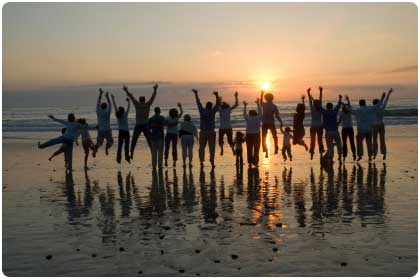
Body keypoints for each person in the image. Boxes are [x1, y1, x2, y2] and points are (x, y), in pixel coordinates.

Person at [123, 84, 158, 159]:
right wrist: (155, 90)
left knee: (134, 139)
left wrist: (126, 91)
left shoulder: (137, 104)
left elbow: (131, 97)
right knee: (149, 139)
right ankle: (153, 153)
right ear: (144, 100)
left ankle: (131, 153)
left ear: (139, 100)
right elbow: (152, 98)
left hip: (138, 124)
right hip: (145, 124)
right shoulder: (147, 104)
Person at [193, 89, 221, 168]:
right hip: (211, 132)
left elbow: (198, 103)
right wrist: (217, 95)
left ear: (206, 106)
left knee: (202, 148)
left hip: (203, 132)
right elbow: (218, 104)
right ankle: (212, 162)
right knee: (212, 148)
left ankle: (201, 162)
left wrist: (196, 94)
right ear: (211, 106)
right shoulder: (212, 111)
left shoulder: (202, 111)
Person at [345, 96, 376, 161]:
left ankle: (360, 155)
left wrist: (347, 101)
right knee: (369, 143)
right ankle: (370, 156)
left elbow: (350, 109)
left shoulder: (358, 110)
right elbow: (376, 107)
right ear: (365, 103)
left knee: (359, 143)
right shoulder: (369, 109)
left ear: (359, 104)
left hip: (361, 129)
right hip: (369, 129)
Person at [259, 91, 283, 158]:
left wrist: (261, 94)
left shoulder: (264, 105)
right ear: (272, 98)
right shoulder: (274, 106)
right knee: (275, 136)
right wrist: (281, 121)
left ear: (265, 98)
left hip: (265, 123)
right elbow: (277, 115)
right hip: (271, 123)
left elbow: (260, 101)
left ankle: (266, 151)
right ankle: (276, 147)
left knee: (264, 138)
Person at [320, 95, 343, 163]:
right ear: (332, 106)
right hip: (335, 131)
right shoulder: (334, 111)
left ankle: (331, 159)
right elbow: (339, 105)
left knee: (330, 146)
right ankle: (340, 157)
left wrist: (312, 98)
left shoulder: (324, 111)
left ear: (326, 107)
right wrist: (340, 98)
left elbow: (318, 106)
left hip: (328, 132)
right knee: (339, 144)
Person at [372, 88, 392, 160]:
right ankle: (384, 153)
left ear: (373, 103)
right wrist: (388, 94)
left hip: (374, 126)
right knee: (382, 140)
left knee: (374, 140)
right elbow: (386, 101)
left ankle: (374, 154)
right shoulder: (382, 107)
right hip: (381, 124)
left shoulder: (373, 108)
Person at [111, 94, 131, 164]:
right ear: (123, 110)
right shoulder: (125, 114)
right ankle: (127, 157)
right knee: (127, 145)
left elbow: (115, 106)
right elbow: (128, 107)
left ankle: (118, 159)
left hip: (121, 132)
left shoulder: (118, 115)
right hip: (126, 132)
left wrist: (113, 98)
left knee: (120, 145)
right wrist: (129, 101)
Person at [218, 91, 239, 156]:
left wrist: (218, 100)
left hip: (222, 127)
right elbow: (236, 104)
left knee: (220, 139)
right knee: (230, 140)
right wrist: (236, 97)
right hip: (228, 127)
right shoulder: (228, 109)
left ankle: (221, 149)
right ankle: (233, 150)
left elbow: (217, 105)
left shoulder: (220, 110)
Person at [307, 86, 325, 159]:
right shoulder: (320, 109)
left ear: (314, 104)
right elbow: (320, 99)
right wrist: (321, 91)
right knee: (320, 141)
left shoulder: (312, 108)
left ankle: (311, 153)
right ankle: (321, 153)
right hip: (320, 126)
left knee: (312, 141)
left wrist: (308, 92)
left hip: (313, 126)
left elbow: (310, 100)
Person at [243, 99, 262, 167]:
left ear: (250, 114)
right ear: (255, 113)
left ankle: (250, 162)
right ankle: (256, 163)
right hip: (256, 135)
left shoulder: (248, 118)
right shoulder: (258, 117)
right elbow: (260, 112)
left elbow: (244, 113)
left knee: (249, 149)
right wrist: (258, 104)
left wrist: (245, 106)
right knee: (256, 149)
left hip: (249, 135)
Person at [94, 89, 113, 155]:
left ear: (100, 107)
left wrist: (100, 94)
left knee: (99, 142)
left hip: (100, 130)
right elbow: (110, 104)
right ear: (106, 107)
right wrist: (107, 97)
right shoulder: (108, 112)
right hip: (107, 129)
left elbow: (98, 102)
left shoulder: (98, 111)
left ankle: (95, 150)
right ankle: (107, 148)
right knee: (110, 141)